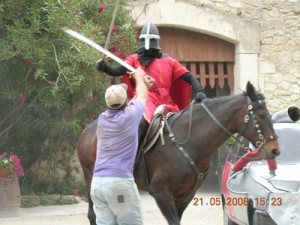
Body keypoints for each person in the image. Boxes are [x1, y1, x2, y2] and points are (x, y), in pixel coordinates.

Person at [96, 22, 207, 141]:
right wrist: (105, 68)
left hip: (166, 102)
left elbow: (189, 77)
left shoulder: (170, 61)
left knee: (184, 128)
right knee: (141, 122)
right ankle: (133, 154)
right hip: (143, 100)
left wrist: (200, 91)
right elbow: (117, 70)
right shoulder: (134, 59)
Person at [90, 67, 154, 225]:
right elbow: (141, 98)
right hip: (118, 183)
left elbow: (134, 102)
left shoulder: (103, 118)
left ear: (107, 103)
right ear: (125, 101)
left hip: (98, 184)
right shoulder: (130, 116)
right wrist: (139, 77)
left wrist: (145, 87)